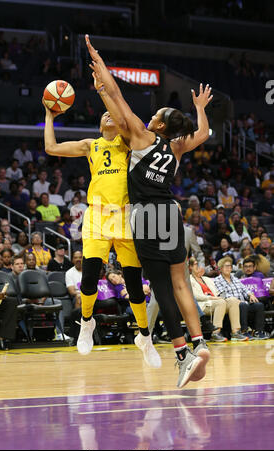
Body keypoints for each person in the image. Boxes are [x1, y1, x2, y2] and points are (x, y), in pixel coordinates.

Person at [85, 35, 212, 387]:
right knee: (180, 283)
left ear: (157, 125)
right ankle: (200, 344)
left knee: (161, 289)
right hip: (173, 214)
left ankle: (182, 354)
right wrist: (200, 107)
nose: (150, 116)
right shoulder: (176, 148)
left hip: (148, 216)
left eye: (155, 115)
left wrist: (101, 69)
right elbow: (202, 132)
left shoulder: (142, 136)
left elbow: (120, 101)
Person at [43, 70, 161, 370]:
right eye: (104, 116)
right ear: (98, 124)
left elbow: (121, 115)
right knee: (90, 274)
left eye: (112, 115)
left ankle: (144, 337)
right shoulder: (90, 145)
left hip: (124, 218)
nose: (109, 117)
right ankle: (86, 323)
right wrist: (50, 115)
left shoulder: (127, 143)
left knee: (135, 284)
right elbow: (51, 148)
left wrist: (103, 92)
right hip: (96, 217)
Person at [189, 257, 243, 342]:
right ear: (190, 267)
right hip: (203, 305)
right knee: (220, 302)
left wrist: (222, 297)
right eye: (196, 264)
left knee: (233, 300)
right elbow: (195, 296)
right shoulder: (189, 280)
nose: (199, 267)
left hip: (216, 302)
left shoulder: (207, 279)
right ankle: (215, 333)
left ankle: (235, 332)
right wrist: (212, 298)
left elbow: (217, 293)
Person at [214, 257, 267, 340]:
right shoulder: (217, 280)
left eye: (230, 266)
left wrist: (250, 294)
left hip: (243, 303)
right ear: (221, 269)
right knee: (242, 304)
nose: (229, 268)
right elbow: (222, 295)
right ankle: (243, 331)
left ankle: (258, 331)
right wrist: (237, 301)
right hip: (231, 305)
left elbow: (244, 289)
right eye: (226, 266)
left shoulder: (235, 279)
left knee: (259, 305)